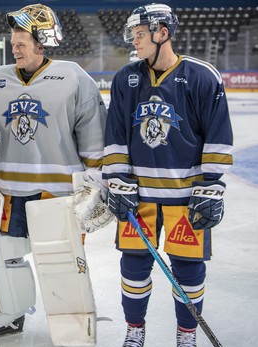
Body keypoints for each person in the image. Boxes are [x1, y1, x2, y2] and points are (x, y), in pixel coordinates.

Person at [0, 3, 108, 341]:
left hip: (58, 194)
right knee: (3, 258)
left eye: (22, 42)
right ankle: (9, 310)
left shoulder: (74, 77)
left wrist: (95, 187)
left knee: (62, 265)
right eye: (13, 41)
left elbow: (95, 139)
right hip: (8, 191)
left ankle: (73, 327)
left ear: (42, 42)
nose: (14, 47)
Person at [102, 3, 233, 347]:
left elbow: (218, 135)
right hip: (138, 197)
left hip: (185, 198)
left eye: (141, 34)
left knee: (189, 269)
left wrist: (211, 185)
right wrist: (116, 178)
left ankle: (186, 334)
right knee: (133, 268)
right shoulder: (125, 79)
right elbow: (115, 134)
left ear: (163, 33)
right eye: (134, 34)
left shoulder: (203, 76)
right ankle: (134, 329)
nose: (135, 40)